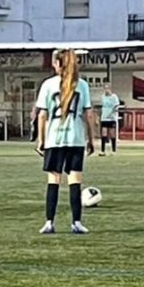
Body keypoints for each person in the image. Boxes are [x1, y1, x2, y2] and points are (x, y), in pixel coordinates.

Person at [36, 49, 96, 234]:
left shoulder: (48, 84)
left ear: (57, 64)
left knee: (53, 180)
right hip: (75, 138)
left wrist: (41, 140)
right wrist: (91, 139)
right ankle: (76, 222)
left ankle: (49, 222)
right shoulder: (82, 85)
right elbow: (88, 114)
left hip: (54, 138)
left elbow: (42, 115)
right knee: (75, 180)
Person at [99, 85, 121, 154]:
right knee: (104, 134)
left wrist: (112, 112)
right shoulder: (103, 97)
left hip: (111, 118)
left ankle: (113, 150)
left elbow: (116, 105)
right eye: (105, 89)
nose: (106, 90)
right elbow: (102, 107)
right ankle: (103, 150)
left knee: (112, 134)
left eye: (107, 89)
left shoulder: (114, 97)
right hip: (104, 118)